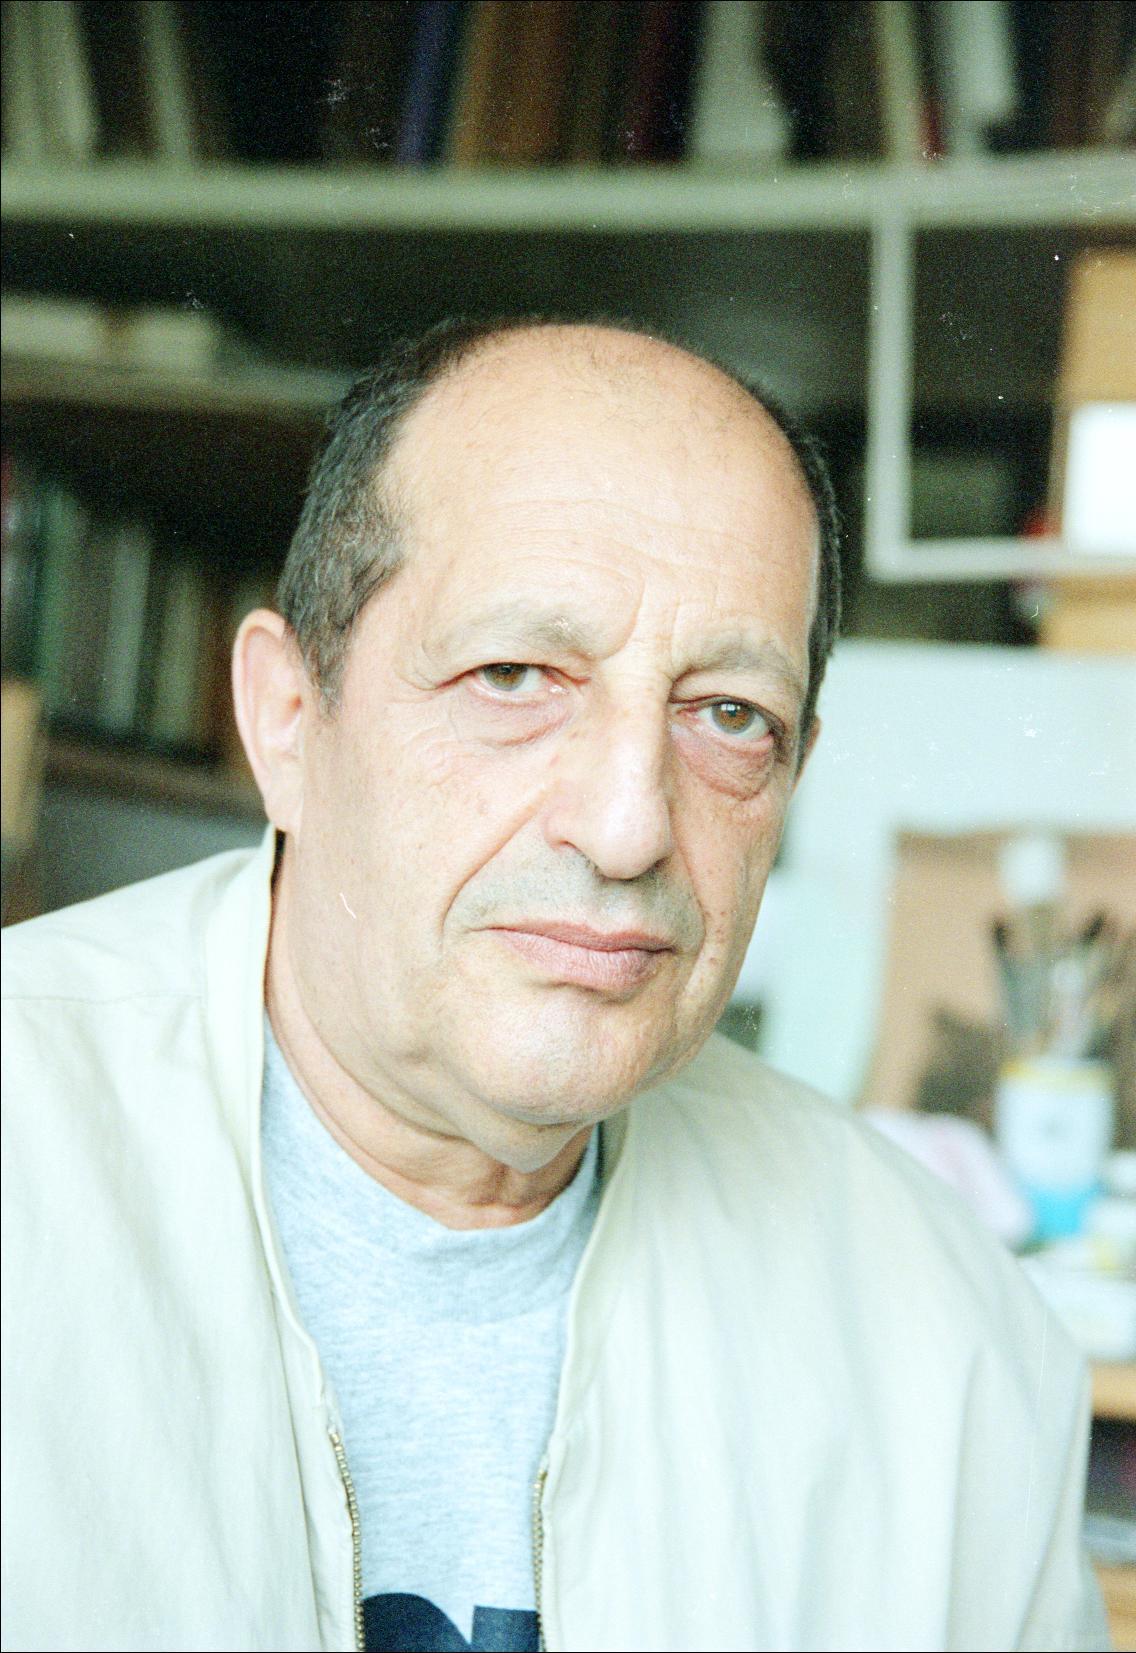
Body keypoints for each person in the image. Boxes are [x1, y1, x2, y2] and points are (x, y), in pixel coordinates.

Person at [1, 318, 1105, 1653]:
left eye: (728, 715)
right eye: (514, 676)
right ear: (287, 719)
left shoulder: (951, 1345)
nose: (629, 825)